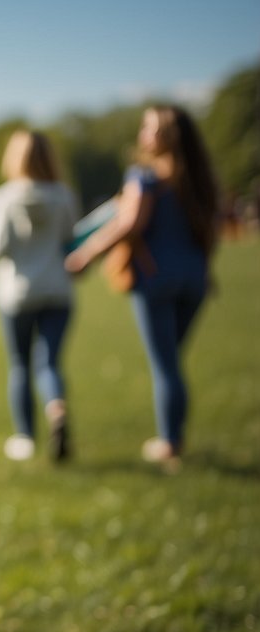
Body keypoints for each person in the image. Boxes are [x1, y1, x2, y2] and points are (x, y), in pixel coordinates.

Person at [65, 105, 219, 470]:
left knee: (166, 366)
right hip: (194, 280)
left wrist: (86, 254)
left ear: (165, 136)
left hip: (156, 280)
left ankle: (169, 444)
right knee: (172, 363)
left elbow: (130, 222)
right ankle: (174, 437)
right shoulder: (198, 180)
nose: (142, 135)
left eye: (148, 128)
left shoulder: (144, 177)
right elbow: (207, 233)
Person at [0, 130, 79, 462]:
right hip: (58, 291)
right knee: (49, 362)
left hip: (17, 292)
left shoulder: (5, 197)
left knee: (20, 365)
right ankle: (56, 407)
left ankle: (24, 438)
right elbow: (71, 241)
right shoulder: (64, 195)